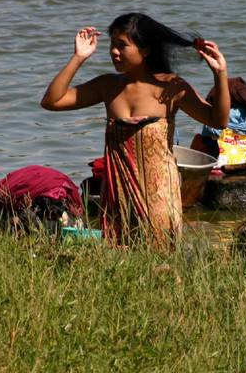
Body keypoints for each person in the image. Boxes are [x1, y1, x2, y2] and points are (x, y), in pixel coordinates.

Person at [41, 13, 230, 247]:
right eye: (112, 44)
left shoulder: (171, 87)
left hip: (159, 196)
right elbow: (52, 101)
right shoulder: (108, 86)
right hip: (118, 195)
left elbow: (218, 120)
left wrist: (220, 74)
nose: (114, 52)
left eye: (122, 45)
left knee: (160, 258)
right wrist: (78, 57)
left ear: (146, 50)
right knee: (121, 260)